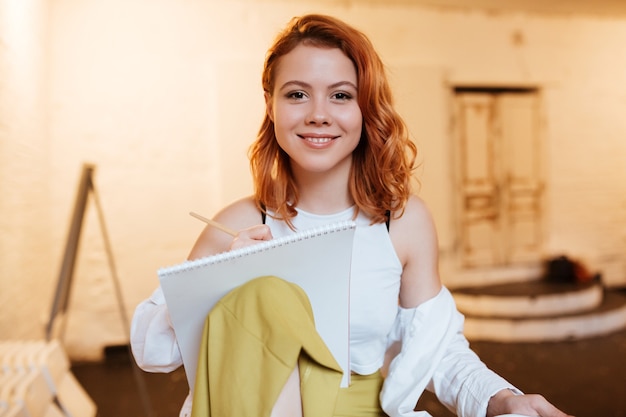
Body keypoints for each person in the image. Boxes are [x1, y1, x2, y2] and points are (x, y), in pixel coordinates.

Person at [131, 14, 573, 417]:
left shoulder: (401, 223)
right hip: (250, 407)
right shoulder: (239, 222)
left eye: (340, 95)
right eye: (297, 94)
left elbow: (434, 350)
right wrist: (218, 278)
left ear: (365, 108)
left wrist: (501, 399)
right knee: (262, 295)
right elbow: (152, 352)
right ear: (271, 105)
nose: (318, 115)